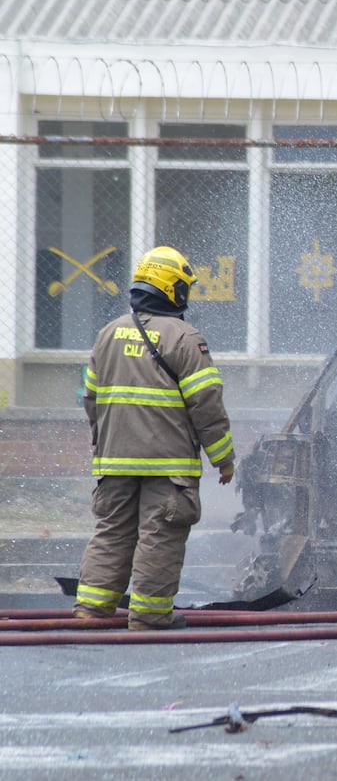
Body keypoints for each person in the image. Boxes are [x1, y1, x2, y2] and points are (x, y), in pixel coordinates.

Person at [73, 246, 236, 630]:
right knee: (160, 535)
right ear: (172, 289)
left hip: (115, 462)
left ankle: (91, 610)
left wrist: (105, 443)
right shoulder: (184, 338)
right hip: (167, 465)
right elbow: (206, 405)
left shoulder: (108, 334)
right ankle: (148, 616)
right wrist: (223, 458)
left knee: (112, 532)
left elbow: (91, 398)